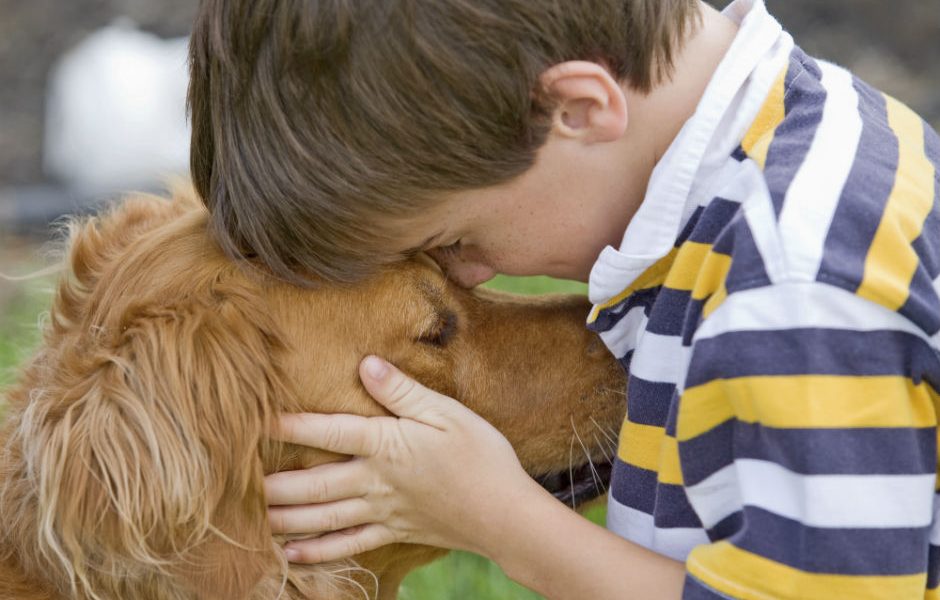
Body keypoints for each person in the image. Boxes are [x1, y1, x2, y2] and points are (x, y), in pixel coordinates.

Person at [187, 0, 940, 597]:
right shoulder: (813, 142)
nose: (475, 274)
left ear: (577, 110)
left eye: (455, 241)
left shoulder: (792, 290)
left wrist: (503, 522)